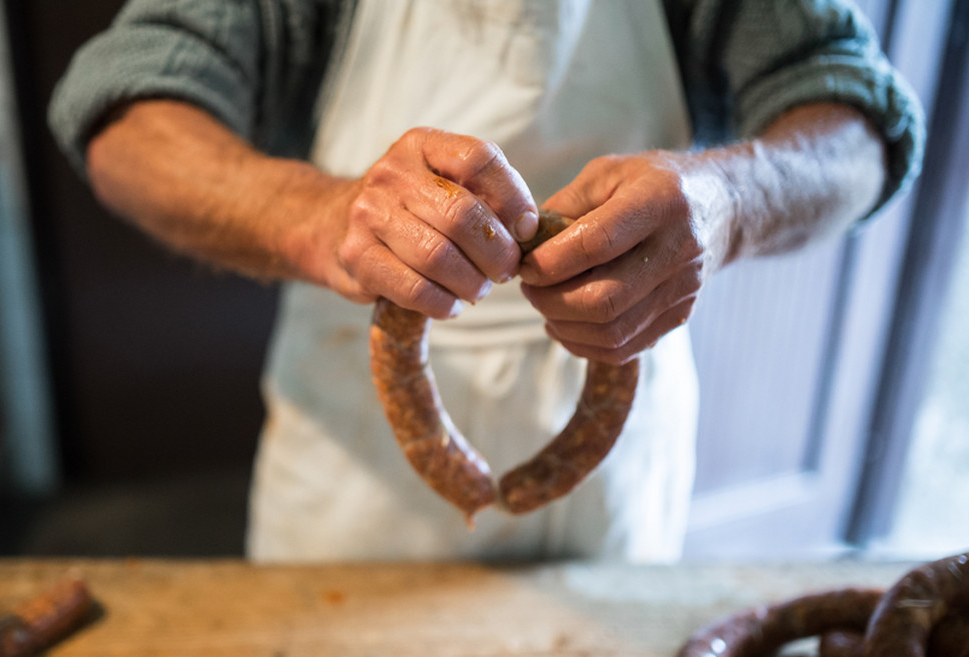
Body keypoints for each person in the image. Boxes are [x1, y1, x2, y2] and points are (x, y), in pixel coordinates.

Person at [49, 0, 924, 563]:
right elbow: (123, 112)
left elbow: (859, 119)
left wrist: (730, 199)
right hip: (351, 480)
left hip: (616, 462)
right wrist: (317, 214)